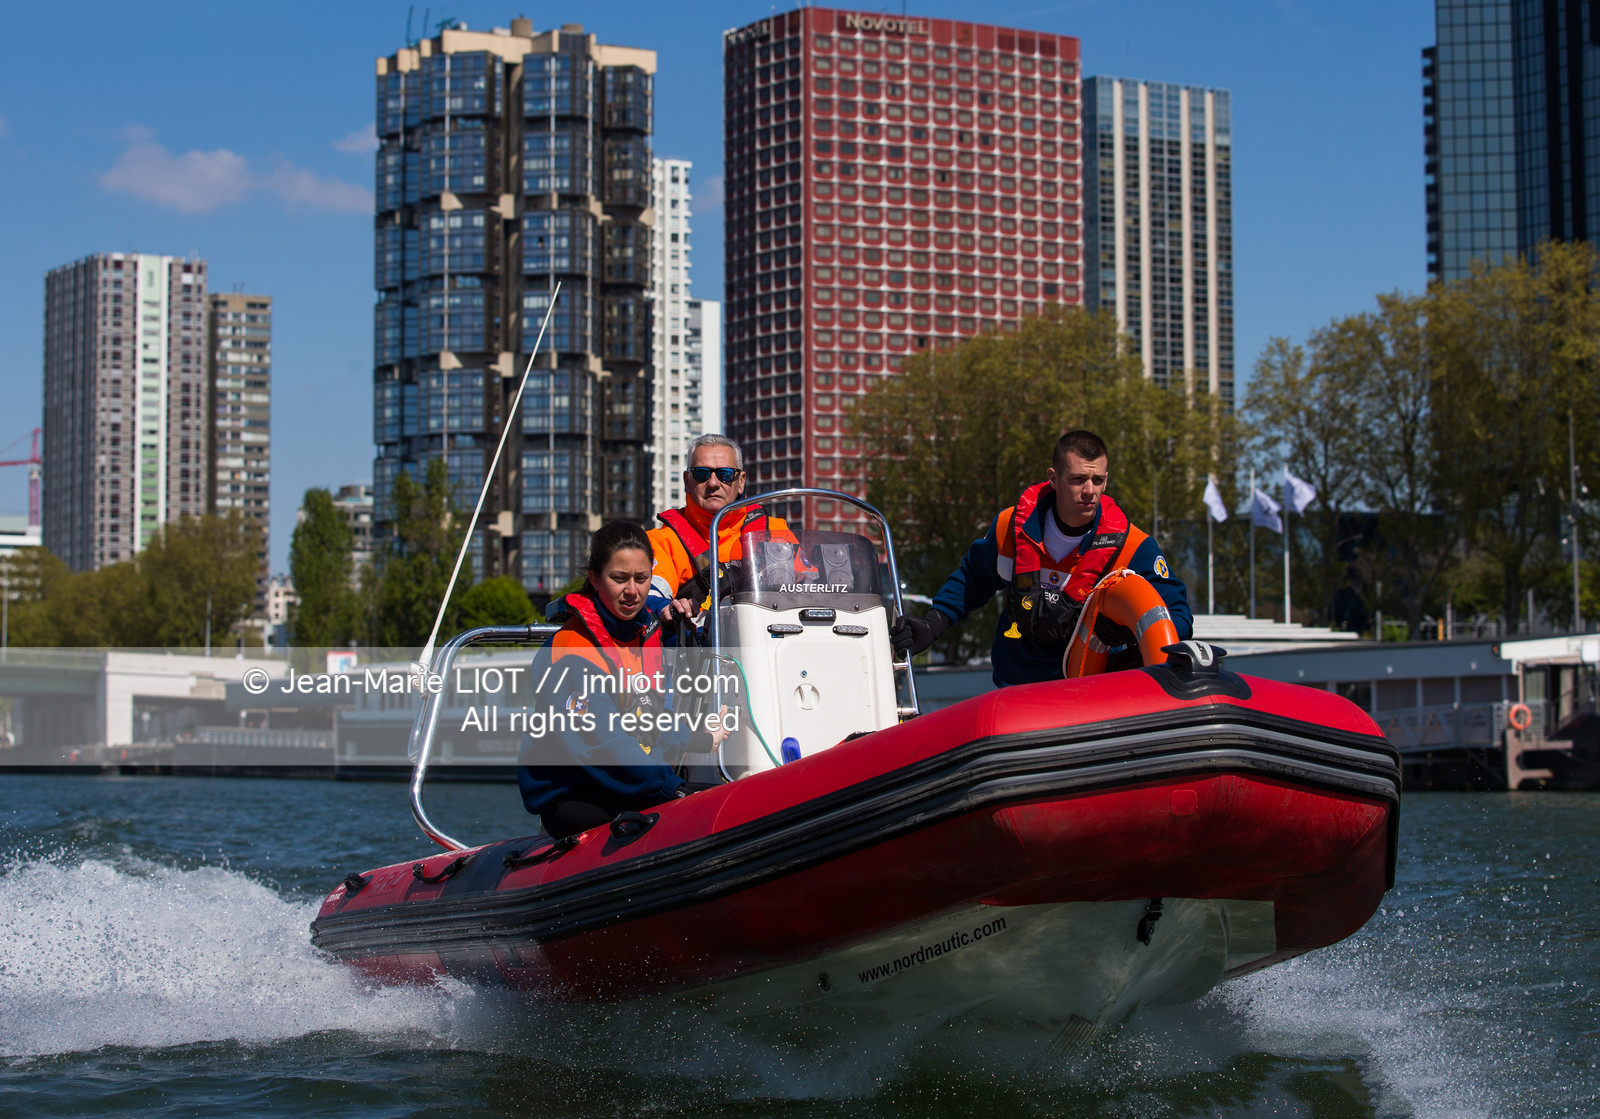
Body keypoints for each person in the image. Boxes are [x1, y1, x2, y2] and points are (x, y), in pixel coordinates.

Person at [891, 429, 1193, 688]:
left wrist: (1127, 632)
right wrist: (932, 625)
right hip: (1017, 689)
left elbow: (1178, 617)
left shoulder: (1133, 547)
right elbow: (972, 580)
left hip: (1093, 695)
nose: (1089, 491)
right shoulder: (1011, 527)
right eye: (1077, 479)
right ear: (1053, 478)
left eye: (1097, 480)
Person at [518, 521, 729, 838]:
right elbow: (604, 743)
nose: (632, 591)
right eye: (619, 579)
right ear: (594, 578)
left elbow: (646, 719)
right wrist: (673, 792)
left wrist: (703, 738)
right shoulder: (573, 649)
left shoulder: (643, 635)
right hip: (578, 794)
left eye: (642, 579)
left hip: (631, 782)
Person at [647, 434, 791, 624]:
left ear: (741, 482)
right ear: (686, 481)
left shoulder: (775, 531)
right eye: (701, 474)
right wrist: (665, 608)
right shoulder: (663, 541)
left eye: (725, 475)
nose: (714, 483)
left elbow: (813, 587)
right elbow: (650, 594)